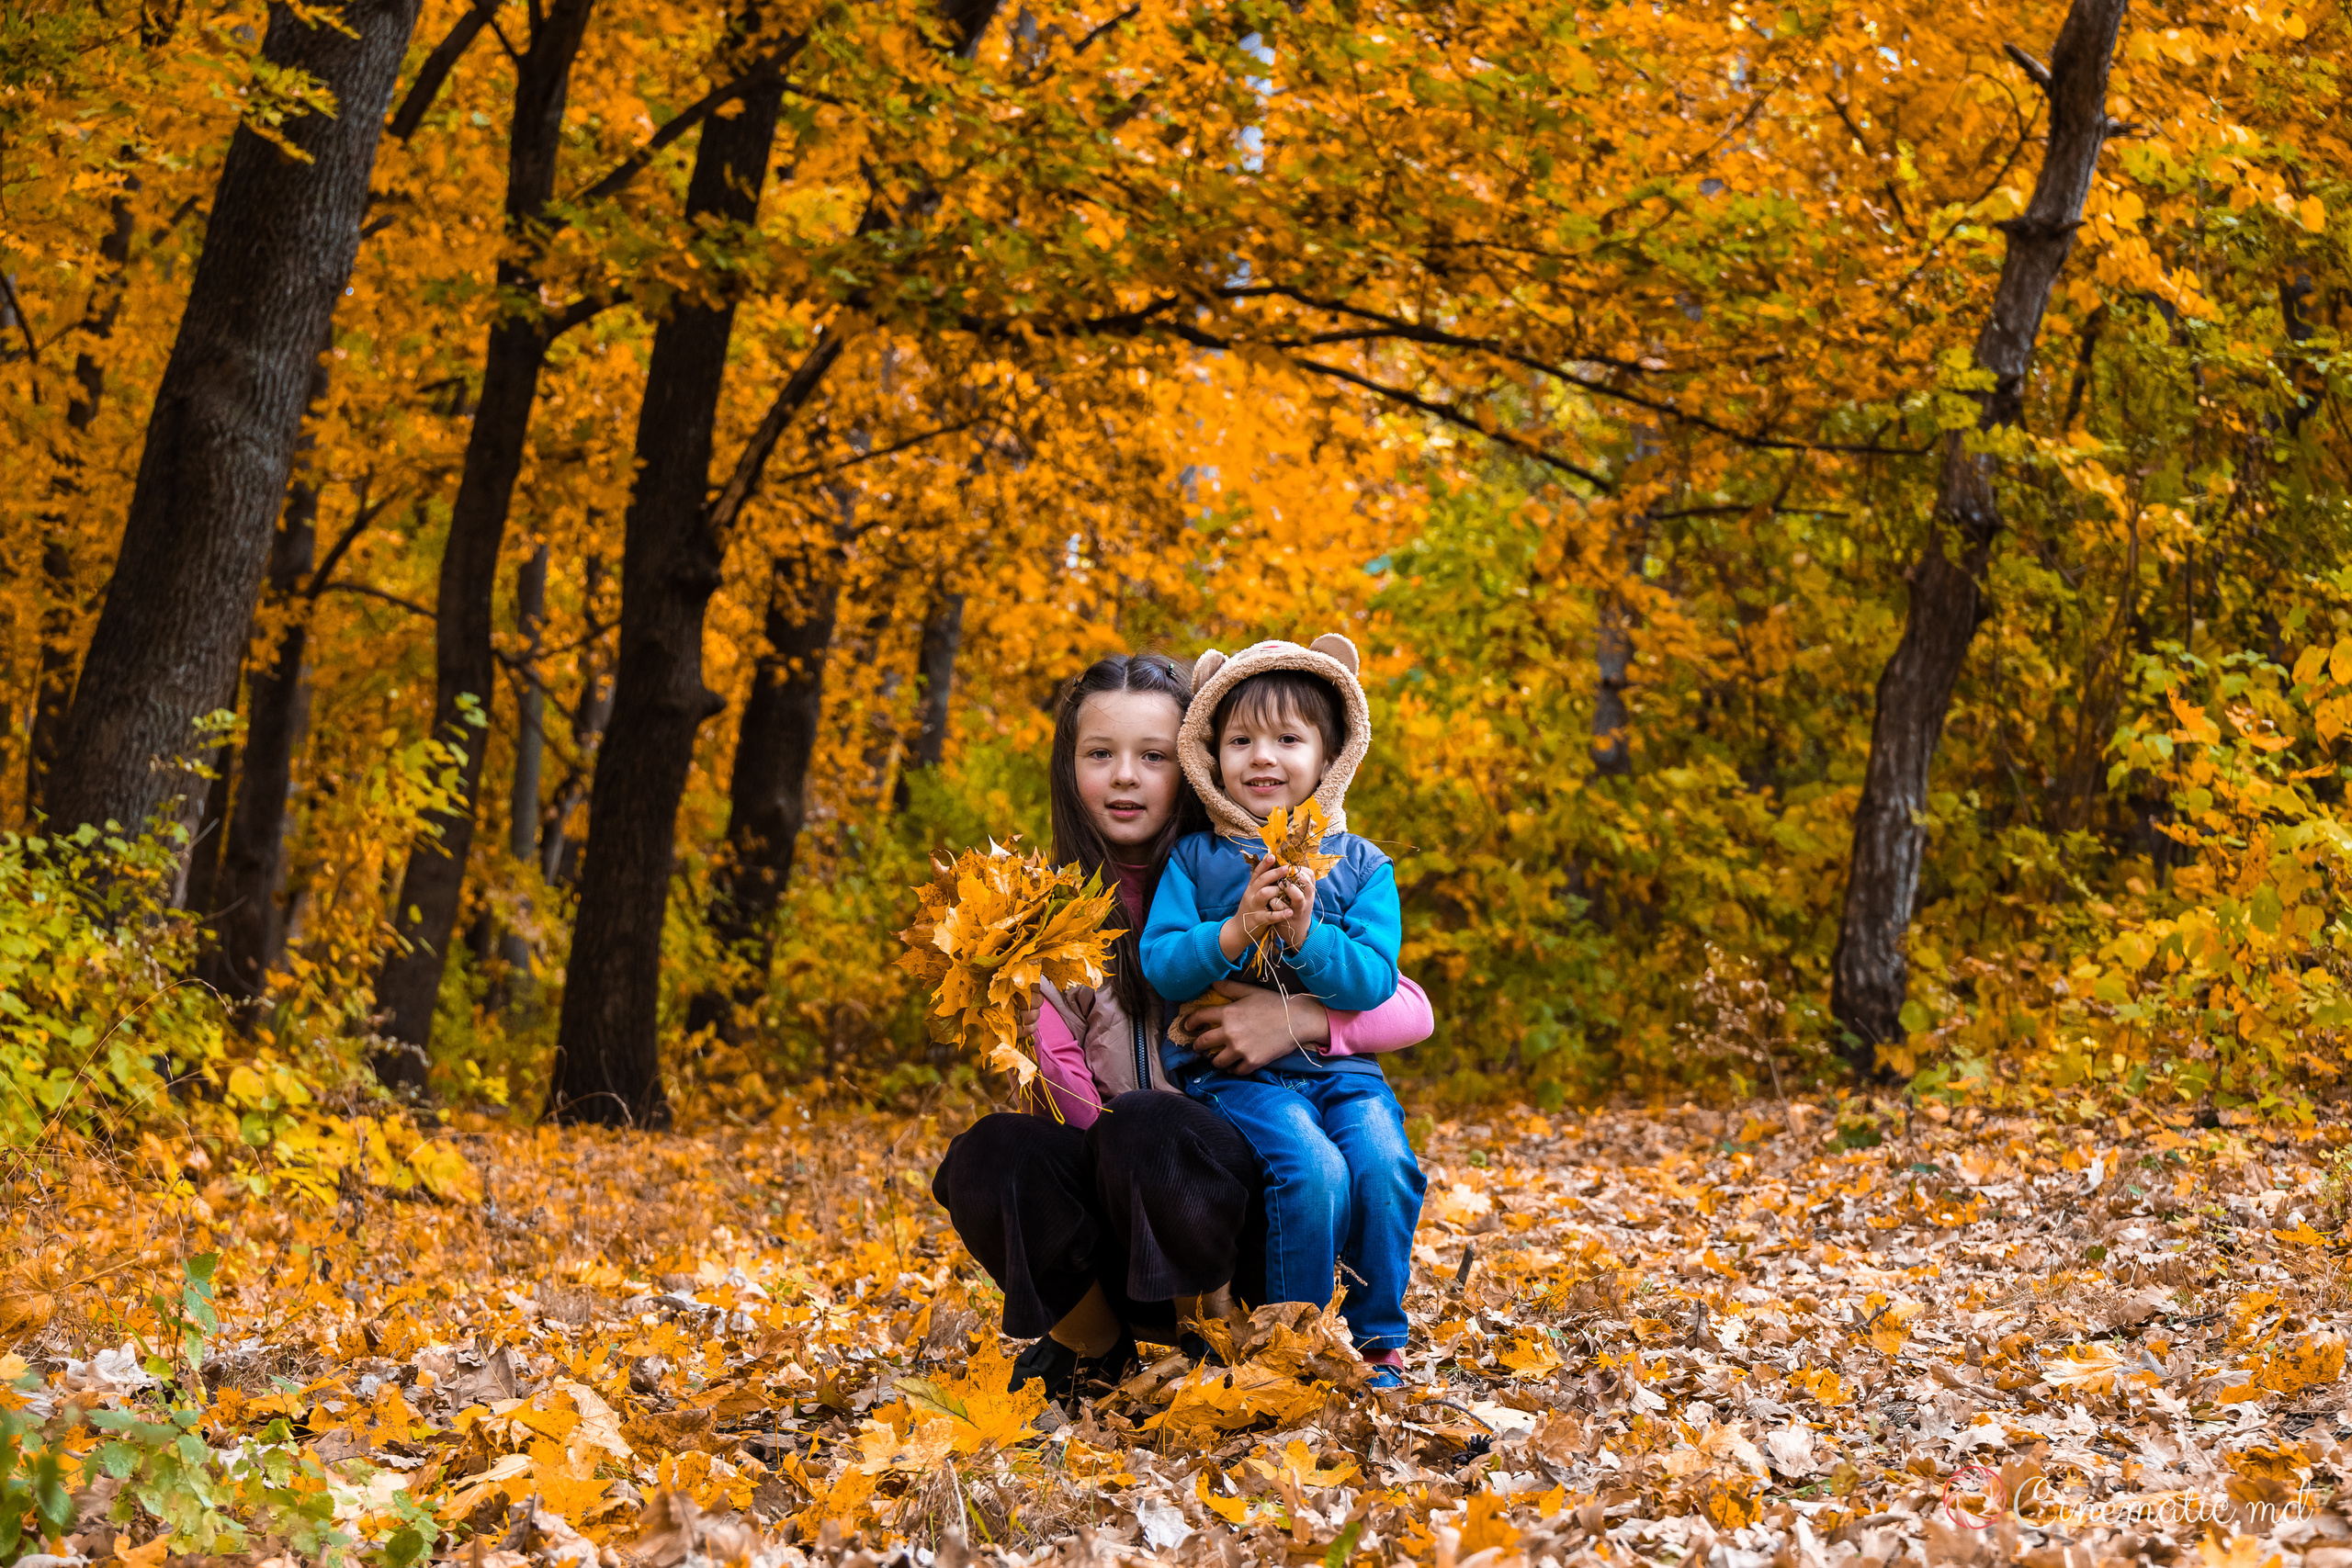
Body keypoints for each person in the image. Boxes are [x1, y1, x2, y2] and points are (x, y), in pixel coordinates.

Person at [929, 652, 1433, 1401]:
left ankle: (1228, 1340)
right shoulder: (1039, 916)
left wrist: (1289, 1018)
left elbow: (1408, 1004)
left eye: (1154, 756)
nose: (1126, 776)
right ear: (1070, 769)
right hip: (1119, 1205)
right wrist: (1019, 1018)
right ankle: (1095, 1352)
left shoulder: (1237, 868)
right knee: (990, 1152)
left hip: (1236, 1211)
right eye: (1101, 754)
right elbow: (1062, 1103)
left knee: (1152, 1123)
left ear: (1191, 765)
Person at [1138, 634, 1425, 1390]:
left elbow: (1372, 980)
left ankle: (1379, 1341)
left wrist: (1304, 935)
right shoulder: (1196, 858)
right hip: (1235, 1079)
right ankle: (1291, 1347)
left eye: (1287, 739)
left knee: (1382, 1160)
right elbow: (1161, 960)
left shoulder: (1361, 865)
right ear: (1212, 755)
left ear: (1331, 757)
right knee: (1311, 1167)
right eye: (1240, 740)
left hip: (1344, 1073)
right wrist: (1233, 929)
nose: (1262, 756)